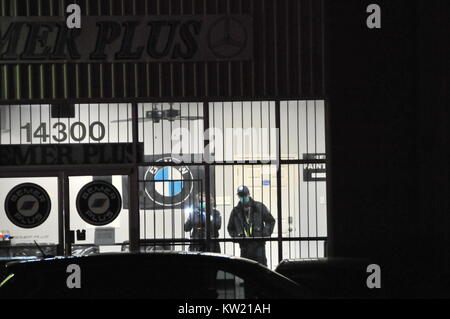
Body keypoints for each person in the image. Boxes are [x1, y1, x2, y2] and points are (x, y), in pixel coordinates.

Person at [227, 186, 275, 266]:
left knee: (261, 269)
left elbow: (270, 221)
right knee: (246, 269)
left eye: (244, 195)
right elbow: (230, 228)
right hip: (244, 246)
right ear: (238, 196)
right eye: (241, 195)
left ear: (248, 194)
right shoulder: (236, 211)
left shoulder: (259, 207)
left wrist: (264, 234)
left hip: (258, 245)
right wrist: (238, 238)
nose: (243, 197)